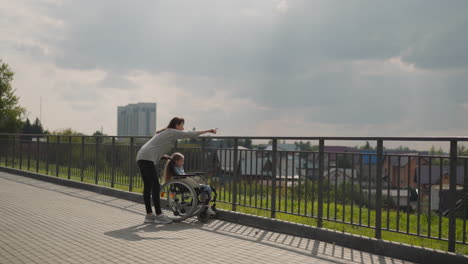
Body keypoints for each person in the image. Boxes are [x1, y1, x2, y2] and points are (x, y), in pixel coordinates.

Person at [136, 117, 217, 223]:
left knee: (148, 187)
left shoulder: (166, 132)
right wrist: (208, 131)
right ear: (177, 125)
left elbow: (155, 146)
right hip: (147, 159)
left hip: (141, 157)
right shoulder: (172, 132)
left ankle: (149, 215)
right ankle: (159, 215)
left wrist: (163, 155)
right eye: (182, 126)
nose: (183, 129)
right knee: (155, 186)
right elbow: (190, 134)